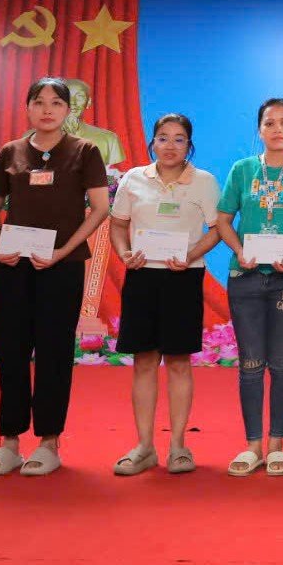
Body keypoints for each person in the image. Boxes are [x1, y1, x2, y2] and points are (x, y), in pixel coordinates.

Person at [0, 77, 110, 476]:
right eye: (39, 102)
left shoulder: (84, 151)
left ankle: (49, 442)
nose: (47, 109)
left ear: (68, 111)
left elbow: (100, 209)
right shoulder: (10, 152)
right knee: (12, 353)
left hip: (61, 268)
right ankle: (10, 441)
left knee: (54, 354)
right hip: (11, 269)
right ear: (28, 108)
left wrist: (62, 252)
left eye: (56, 103)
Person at [215, 98, 283, 477]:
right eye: (269, 122)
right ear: (259, 130)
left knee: (281, 363)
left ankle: (277, 444)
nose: (277, 129)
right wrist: (238, 249)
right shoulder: (242, 171)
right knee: (249, 364)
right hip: (245, 277)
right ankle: (252, 446)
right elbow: (224, 220)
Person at [108, 113, 220, 475]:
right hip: (142, 276)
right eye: (163, 138)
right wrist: (124, 253)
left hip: (183, 278)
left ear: (190, 144)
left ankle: (178, 446)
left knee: (178, 362)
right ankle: (144, 446)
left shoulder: (204, 182)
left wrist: (190, 255)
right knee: (143, 362)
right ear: (152, 142)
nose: (170, 146)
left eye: (179, 139)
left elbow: (218, 229)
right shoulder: (133, 178)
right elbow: (119, 224)